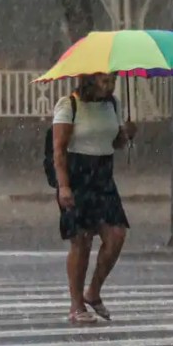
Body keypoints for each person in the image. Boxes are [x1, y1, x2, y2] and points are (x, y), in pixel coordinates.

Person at [52, 73, 136, 325]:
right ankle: (76, 304)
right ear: (89, 80)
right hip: (77, 175)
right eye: (104, 81)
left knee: (116, 235)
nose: (109, 86)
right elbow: (58, 149)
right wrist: (64, 186)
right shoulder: (69, 104)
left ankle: (94, 291)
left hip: (103, 175)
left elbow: (116, 142)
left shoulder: (113, 104)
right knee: (82, 241)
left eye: (112, 81)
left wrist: (127, 134)